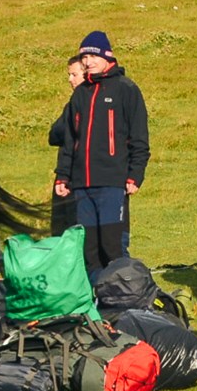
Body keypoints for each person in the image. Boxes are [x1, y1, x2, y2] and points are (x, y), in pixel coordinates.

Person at [54, 31, 150, 273]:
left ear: (107, 56)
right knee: (89, 251)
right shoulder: (80, 94)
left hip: (112, 182)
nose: (87, 61)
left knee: (112, 247)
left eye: (92, 56)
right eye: (84, 56)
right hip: (82, 185)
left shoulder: (126, 89)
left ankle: (124, 303)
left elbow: (139, 137)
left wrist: (135, 174)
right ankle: (96, 305)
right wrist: (63, 176)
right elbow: (69, 141)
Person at [48, 55, 87, 234]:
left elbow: (56, 133)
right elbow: (54, 134)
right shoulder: (72, 103)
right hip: (69, 171)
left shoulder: (77, 104)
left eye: (74, 75)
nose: (70, 80)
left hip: (74, 173)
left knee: (67, 225)